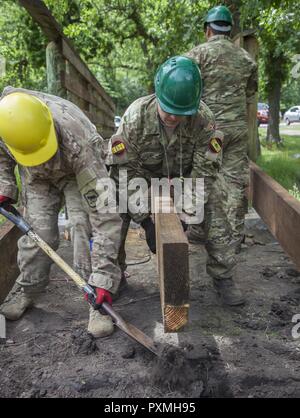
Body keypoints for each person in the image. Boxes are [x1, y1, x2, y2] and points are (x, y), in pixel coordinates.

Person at [107, 56, 244, 306]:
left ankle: (223, 276)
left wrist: (186, 213)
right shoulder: (134, 118)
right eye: (168, 110)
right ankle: (113, 276)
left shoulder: (203, 119)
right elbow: (126, 174)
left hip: (185, 182)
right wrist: (146, 218)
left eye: (181, 113)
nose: (173, 118)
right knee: (112, 203)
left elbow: (204, 172)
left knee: (218, 198)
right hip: (143, 182)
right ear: (157, 93)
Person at [0, 87, 122, 337]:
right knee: (38, 232)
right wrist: (4, 186)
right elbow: (1, 156)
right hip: (34, 173)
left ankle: (95, 298)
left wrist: (105, 278)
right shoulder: (6, 121)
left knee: (81, 224)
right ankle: (28, 289)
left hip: (74, 169)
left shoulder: (80, 140)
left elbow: (105, 215)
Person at [185, 5, 258, 253]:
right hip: (237, 129)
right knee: (235, 182)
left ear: (208, 29)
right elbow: (250, 93)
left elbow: (185, 89)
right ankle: (235, 237)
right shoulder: (246, 60)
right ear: (229, 30)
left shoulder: (195, 56)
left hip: (208, 130)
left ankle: (197, 230)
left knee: (201, 178)